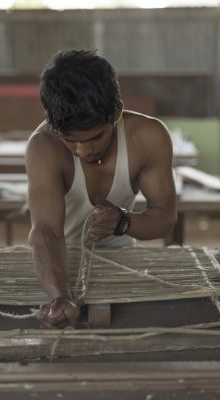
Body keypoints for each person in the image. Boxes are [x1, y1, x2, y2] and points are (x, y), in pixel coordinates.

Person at [25, 49, 177, 329]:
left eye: (94, 137)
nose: (83, 150)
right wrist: (60, 296)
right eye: (70, 140)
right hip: (57, 264)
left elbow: (165, 219)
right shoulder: (43, 146)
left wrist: (123, 222)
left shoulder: (149, 137)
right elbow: (46, 231)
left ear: (117, 112)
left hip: (122, 262)